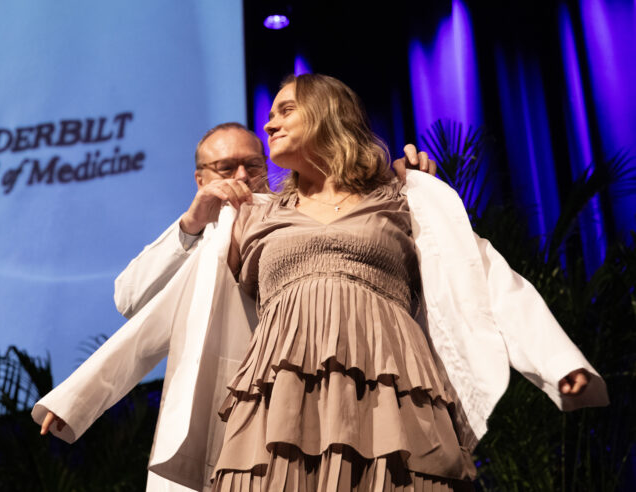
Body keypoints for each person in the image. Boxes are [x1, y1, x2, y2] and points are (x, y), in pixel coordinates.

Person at [32, 75, 607, 491]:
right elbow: (163, 312)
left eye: (284, 109)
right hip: (281, 392)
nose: (269, 121)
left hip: (389, 384)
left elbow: (485, 279)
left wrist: (560, 364)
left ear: (327, 114)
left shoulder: (406, 196)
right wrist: (80, 398)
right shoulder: (253, 214)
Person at [114, 122, 435, 320]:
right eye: (226, 167)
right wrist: (191, 225)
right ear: (200, 180)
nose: (241, 176)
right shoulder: (197, 233)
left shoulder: (306, 212)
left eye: (252, 165)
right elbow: (130, 299)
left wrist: (416, 193)